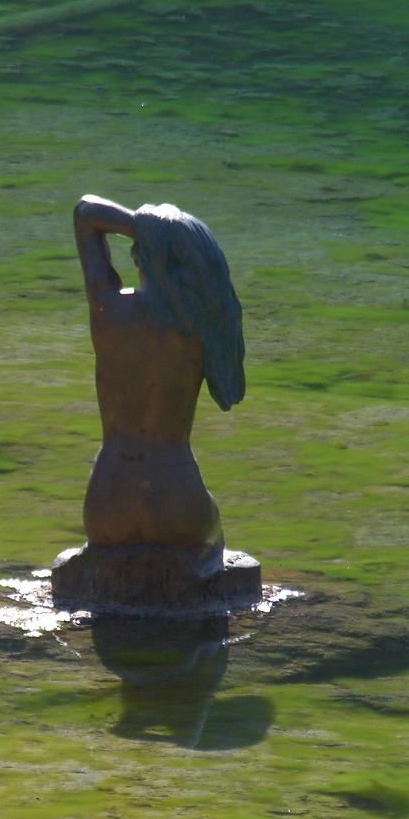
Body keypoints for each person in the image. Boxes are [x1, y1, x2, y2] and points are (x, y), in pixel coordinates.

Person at [71, 194, 245, 551]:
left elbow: (85, 212)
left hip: (108, 500)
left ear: (142, 255)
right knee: (216, 551)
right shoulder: (200, 326)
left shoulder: (108, 309)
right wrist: (175, 236)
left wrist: (148, 228)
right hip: (176, 499)